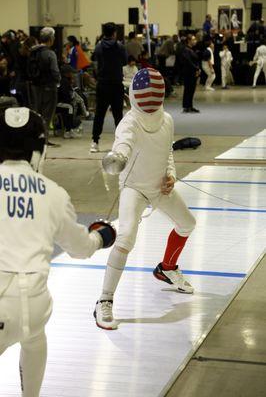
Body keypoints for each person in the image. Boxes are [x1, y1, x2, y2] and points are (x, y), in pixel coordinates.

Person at [0, 106, 116, 397]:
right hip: (37, 305)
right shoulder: (53, 192)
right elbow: (81, 248)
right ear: (39, 151)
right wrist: (101, 236)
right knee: (34, 337)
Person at [94, 68, 196, 330]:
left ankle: (167, 268)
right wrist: (118, 158)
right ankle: (104, 300)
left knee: (187, 223)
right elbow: (123, 145)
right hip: (134, 189)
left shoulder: (167, 120)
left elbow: (167, 152)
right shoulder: (129, 122)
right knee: (126, 237)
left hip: (159, 187)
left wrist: (171, 175)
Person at [90, 22, 127, 153]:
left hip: (103, 84)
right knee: (118, 115)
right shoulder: (120, 47)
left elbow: (94, 62)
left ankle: (94, 142)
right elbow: (125, 62)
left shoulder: (98, 47)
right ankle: (120, 143)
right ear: (114, 33)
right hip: (116, 84)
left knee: (99, 114)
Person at [29, 27, 61, 147]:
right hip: (49, 86)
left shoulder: (32, 51)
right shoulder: (50, 53)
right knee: (47, 114)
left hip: (35, 86)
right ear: (51, 39)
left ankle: (36, 138)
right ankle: (44, 139)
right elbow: (55, 71)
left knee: (37, 112)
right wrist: (58, 81)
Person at [181, 34, 200, 113]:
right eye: (193, 39)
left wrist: (197, 69)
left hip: (193, 72)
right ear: (189, 41)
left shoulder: (191, 50)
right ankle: (186, 106)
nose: (195, 41)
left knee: (192, 89)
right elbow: (189, 62)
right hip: (188, 73)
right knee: (188, 89)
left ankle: (190, 105)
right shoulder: (186, 50)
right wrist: (196, 68)